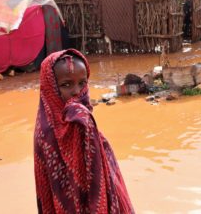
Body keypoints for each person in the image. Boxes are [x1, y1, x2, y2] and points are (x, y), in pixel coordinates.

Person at [34, 49, 134, 213]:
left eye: (82, 83)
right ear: (50, 87)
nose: (76, 91)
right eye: (66, 85)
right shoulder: (56, 128)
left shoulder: (79, 119)